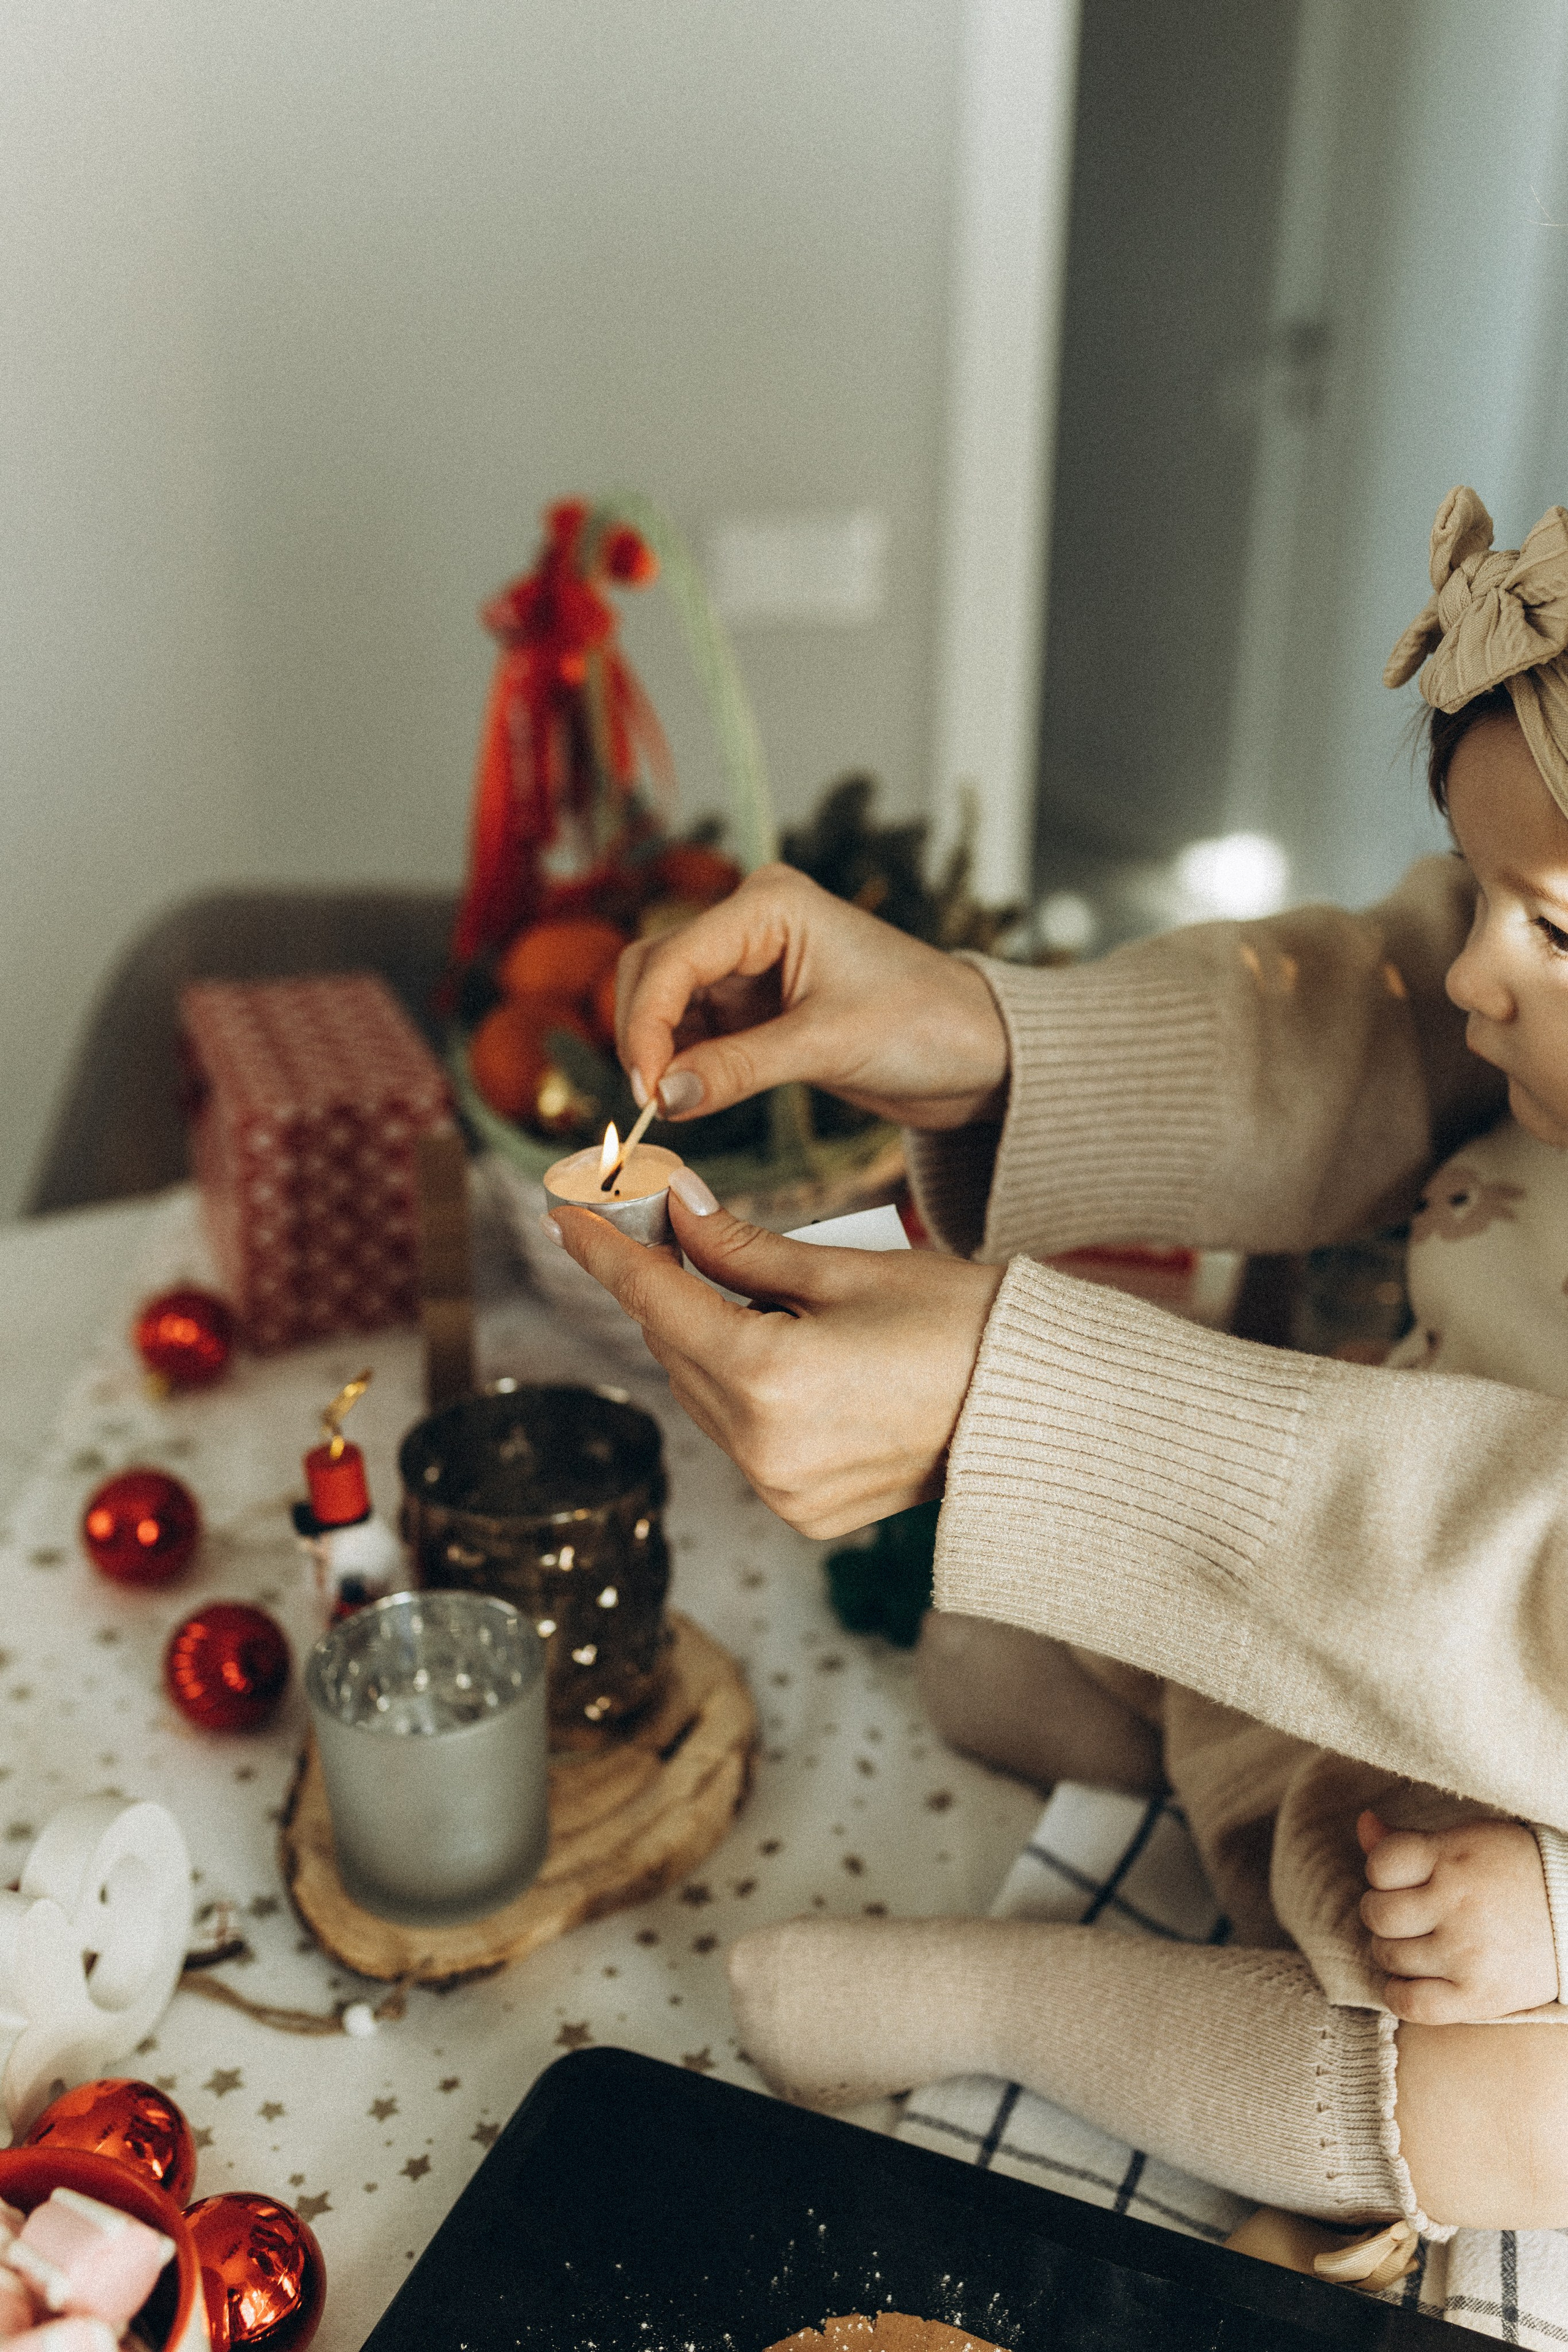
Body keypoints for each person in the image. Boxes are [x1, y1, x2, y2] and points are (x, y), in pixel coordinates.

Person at [543, 488, 1568, 2235]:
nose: (1478, 967)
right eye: (1477, 885)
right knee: (999, 1643)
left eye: (1557, 932)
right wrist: (982, 1032)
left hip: (1510, 1810)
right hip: (1378, 1634)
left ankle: (1006, 2002)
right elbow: (1382, 1019)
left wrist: (1546, 1899)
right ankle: (1215, 1747)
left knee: (1512, 2102)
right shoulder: (1490, 1000)